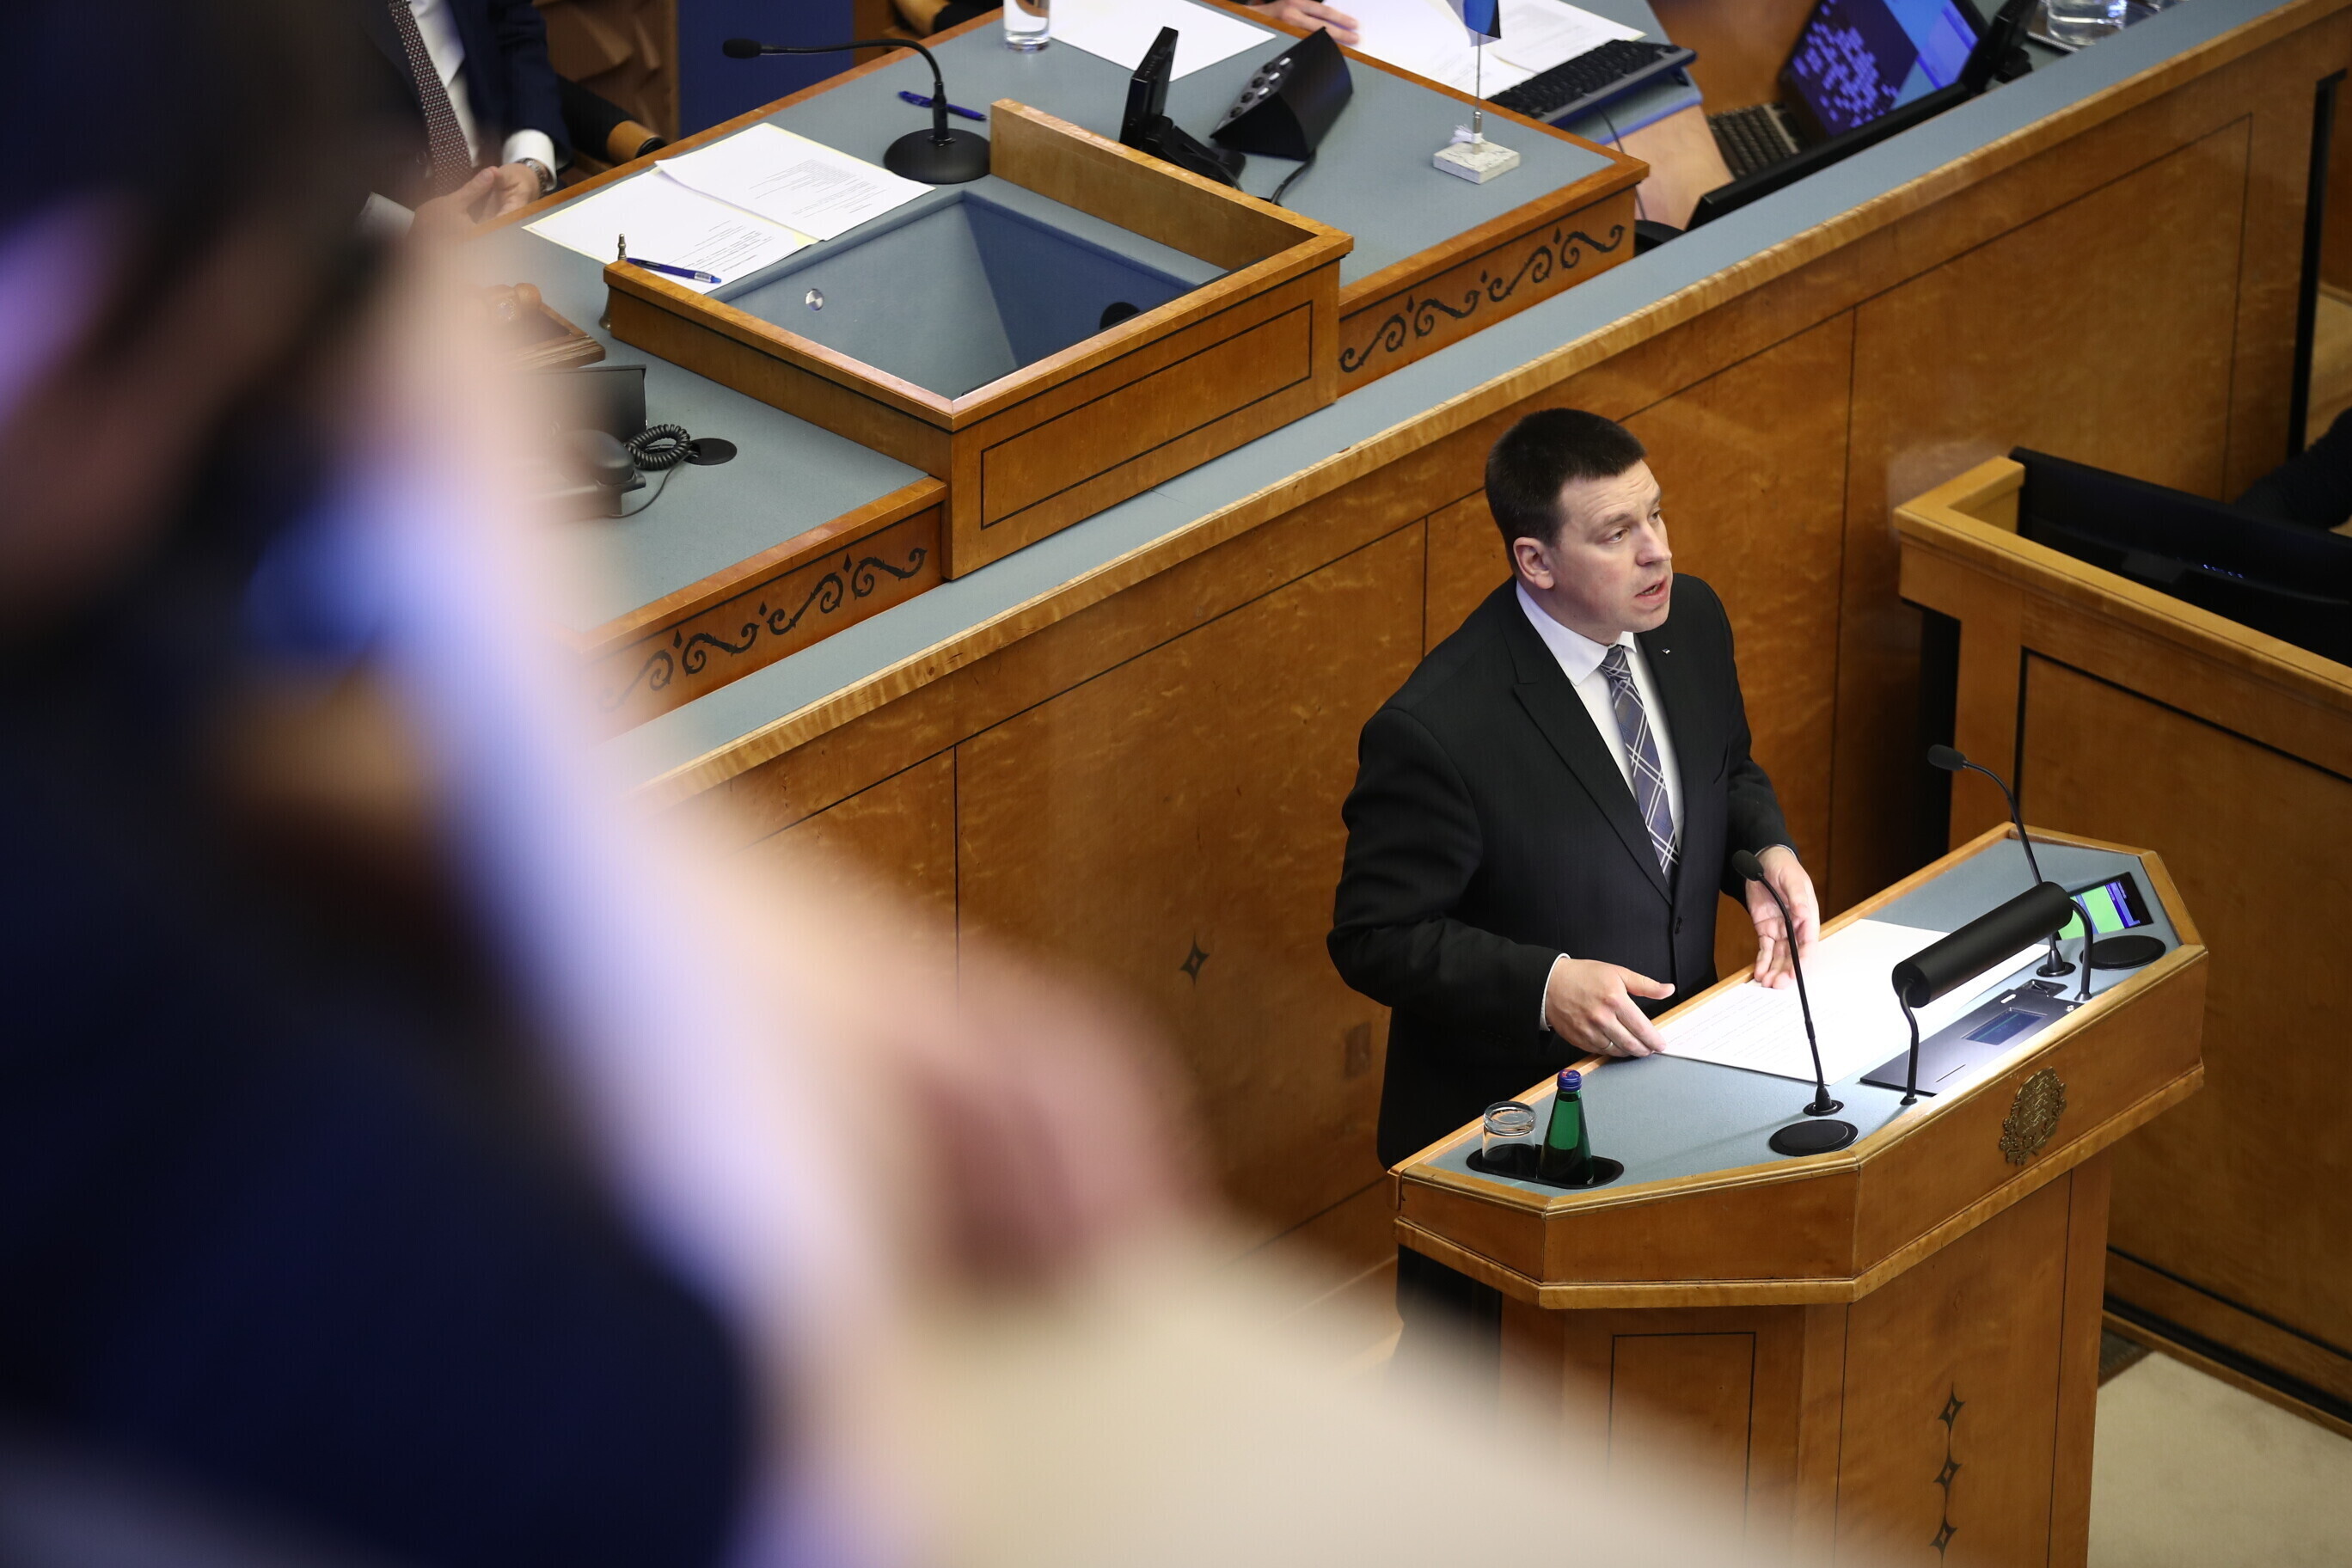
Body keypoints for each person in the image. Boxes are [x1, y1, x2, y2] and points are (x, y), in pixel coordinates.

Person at [1327, 408, 1816, 1352]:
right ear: (1536, 560)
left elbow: (1726, 771)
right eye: (1616, 533)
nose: (1656, 551)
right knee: (1477, 1409)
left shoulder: (1690, 621)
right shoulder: (1439, 727)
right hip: (1507, 1139)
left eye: (1656, 515)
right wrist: (1545, 985)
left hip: (1674, 1088)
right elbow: (1374, 936)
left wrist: (1763, 855)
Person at [354, 0, 569, 235]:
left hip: (503, 184)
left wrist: (530, 164)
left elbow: (516, 33)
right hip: (381, 228)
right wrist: (406, 227)